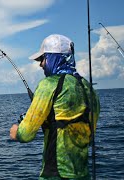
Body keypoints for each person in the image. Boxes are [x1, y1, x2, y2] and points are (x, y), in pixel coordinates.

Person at [10, 34, 100, 179]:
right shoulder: (89, 89)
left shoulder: (49, 85)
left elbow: (26, 134)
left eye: (42, 58)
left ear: (53, 58)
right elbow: (83, 134)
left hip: (55, 175)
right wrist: (49, 122)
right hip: (83, 175)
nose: (40, 64)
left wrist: (16, 132)